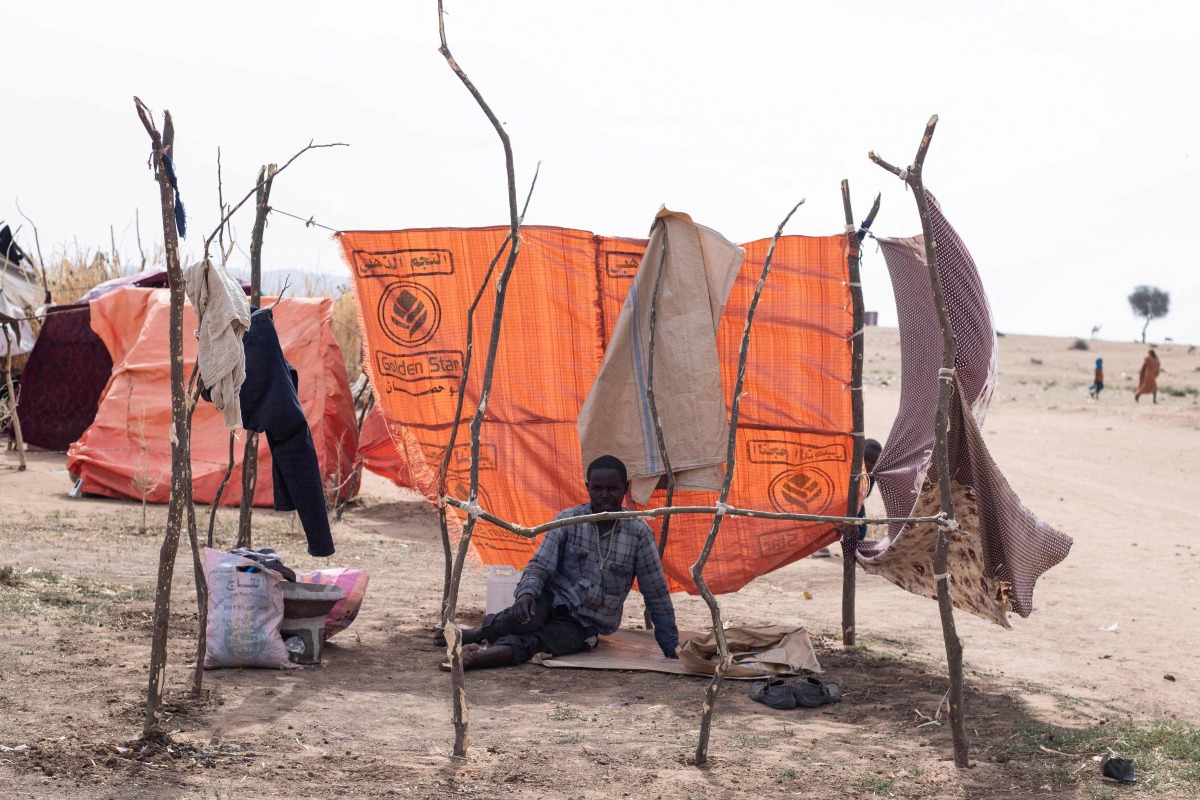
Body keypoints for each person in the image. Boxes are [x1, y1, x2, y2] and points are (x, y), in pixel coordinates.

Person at [446, 455, 680, 670]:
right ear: (588, 488)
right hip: (552, 599)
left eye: (613, 489)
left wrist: (671, 646)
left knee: (542, 640)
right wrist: (526, 594)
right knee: (522, 618)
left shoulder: (639, 534)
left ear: (625, 489)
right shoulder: (568, 520)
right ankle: (478, 633)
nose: (605, 495)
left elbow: (656, 593)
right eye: (598, 488)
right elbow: (539, 565)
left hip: (586, 623)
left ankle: (477, 659)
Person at [813, 438, 882, 556]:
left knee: (860, 525)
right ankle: (819, 546)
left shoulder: (871, 475)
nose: (869, 464)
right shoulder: (848, 467)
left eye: (873, 462)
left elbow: (866, 494)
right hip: (837, 500)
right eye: (866, 459)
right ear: (858, 454)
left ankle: (856, 546)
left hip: (856, 503)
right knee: (826, 522)